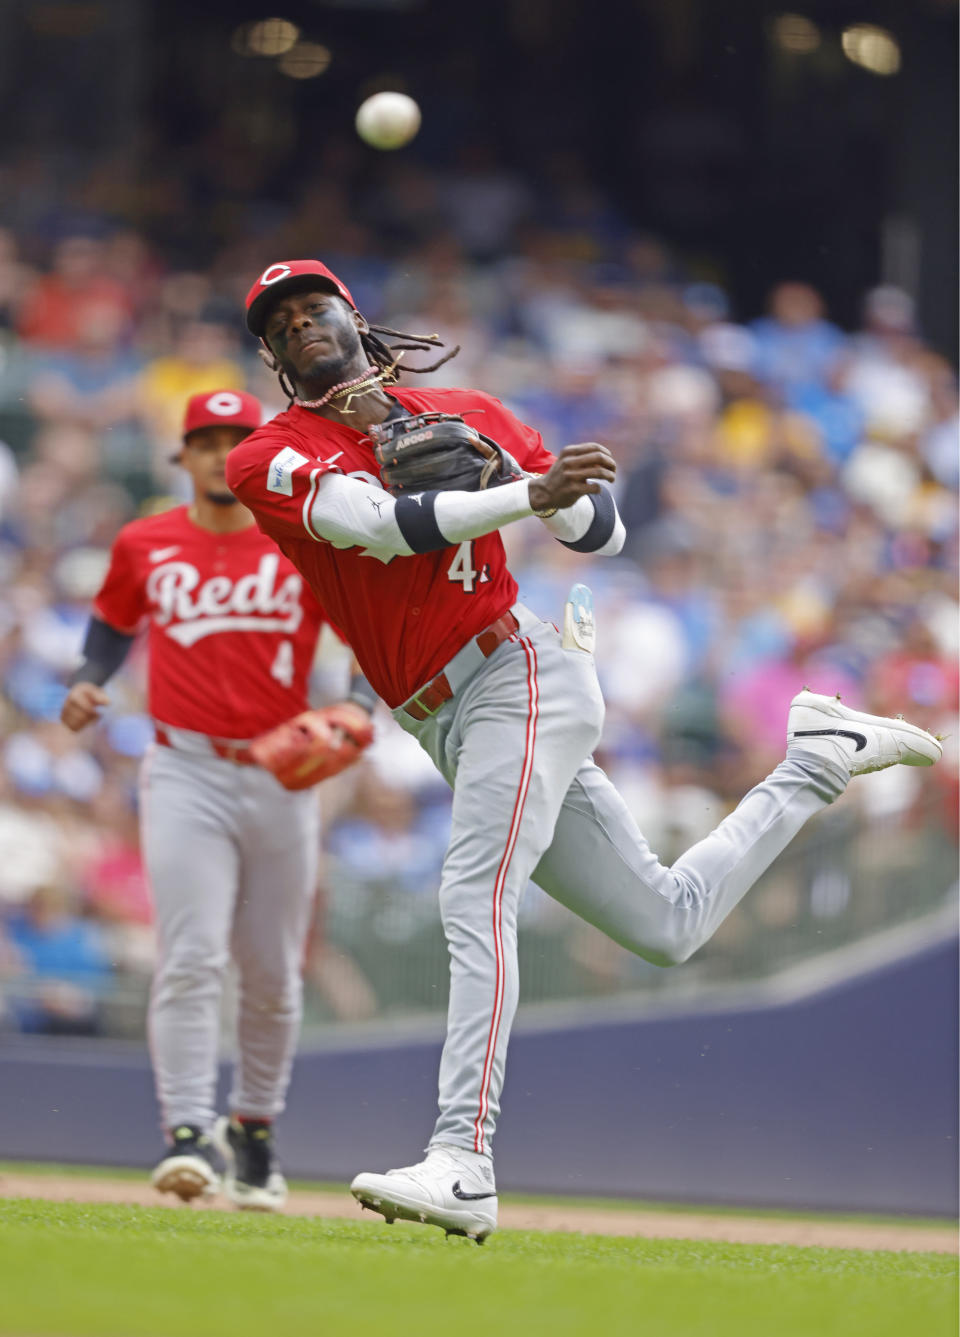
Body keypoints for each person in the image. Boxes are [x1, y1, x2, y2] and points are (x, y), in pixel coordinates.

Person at [225, 259, 942, 1242]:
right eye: (282, 320)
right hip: (440, 714)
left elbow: (600, 528)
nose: (302, 322)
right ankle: (817, 756)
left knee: (475, 889)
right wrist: (521, 491)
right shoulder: (264, 454)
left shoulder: (464, 404)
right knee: (667, 922)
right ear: (269, 351)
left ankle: (464, 1158)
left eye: (315, 305)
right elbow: (384, 530)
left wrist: (538, 490)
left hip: (517, 672)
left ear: (353, 314)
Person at [61, 387, 375, 1211]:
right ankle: (188, 1131)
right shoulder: (146, 541)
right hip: (185, 769)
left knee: (273, 973)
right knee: (193, 953)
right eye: (205, 438)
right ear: (185, 456)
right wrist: (92, 681)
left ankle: (256, 1131)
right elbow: (110, 624)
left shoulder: (300, 541)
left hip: (281, 774)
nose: (217, 451)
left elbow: (348, 642)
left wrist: (355, 706)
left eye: (235, 438)